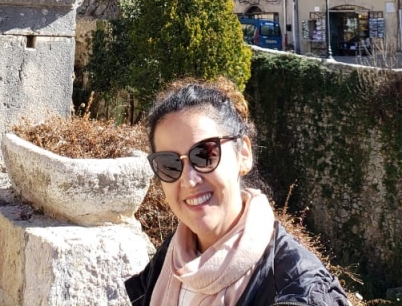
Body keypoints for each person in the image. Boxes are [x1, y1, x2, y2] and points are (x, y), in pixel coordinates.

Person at [125, 78, 349, 306]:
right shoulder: (172, 258)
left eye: (204, 154)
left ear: (243, 154)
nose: (189, 180)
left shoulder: (299, 290)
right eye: (169, 164)